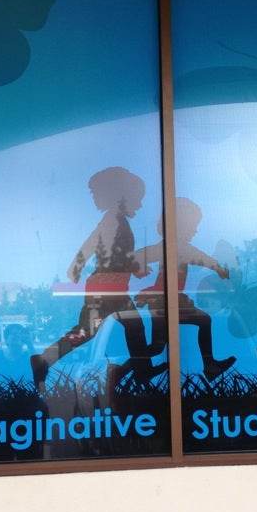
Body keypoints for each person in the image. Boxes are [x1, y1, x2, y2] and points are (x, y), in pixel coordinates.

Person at [31, 167, 155, 389]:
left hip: (112, 288)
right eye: (137, 199)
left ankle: (143, 372)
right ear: (121, 197)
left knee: (122, 329)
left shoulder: (115, 220)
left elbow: (103, 249)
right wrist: (134, 268)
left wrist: (76, 267)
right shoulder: (114, 220)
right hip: (107, 289)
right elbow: (105, 250)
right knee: (95, 330)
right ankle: (142, 372)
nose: (140, 205)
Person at [135, 197, 235, 381]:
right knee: (204, 321)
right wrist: (218, 268)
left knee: (157, 346)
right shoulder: (178, 247)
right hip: (166, 301)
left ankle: (125, 370)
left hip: (165, 300)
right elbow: (200, 257)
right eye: (193, 226)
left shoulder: (169, 247)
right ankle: (210, 366)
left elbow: (139, 255)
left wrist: (138, 265)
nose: (195, 231)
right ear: (180, 225)